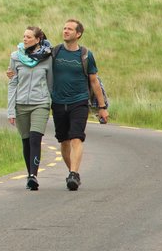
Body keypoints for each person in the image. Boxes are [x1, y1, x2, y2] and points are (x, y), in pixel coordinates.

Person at [50, 19, 109, 191]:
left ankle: (74, 174)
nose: (65, 31)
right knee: (64, 141)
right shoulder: (55, 52)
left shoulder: (85, 55)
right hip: (58, 102)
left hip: (79, 101)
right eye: (64, 28)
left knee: (76, 137)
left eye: (70, 29)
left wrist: (102, 107)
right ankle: (72, 173)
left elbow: (94, 81)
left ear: (78, 34)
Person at [7, 26, 53, 191]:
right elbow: (12, 84)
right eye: (24, 36)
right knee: (26, 140)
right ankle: (29, 174)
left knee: (35, 138)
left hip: (40, 103)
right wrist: (10, 110)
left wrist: (53, 104)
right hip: (21, 105)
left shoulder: (47, 58)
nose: (24, 39)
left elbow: (51, 83)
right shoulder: (15, 57)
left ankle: (34, 176)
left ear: (38, 39)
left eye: (28, 37)